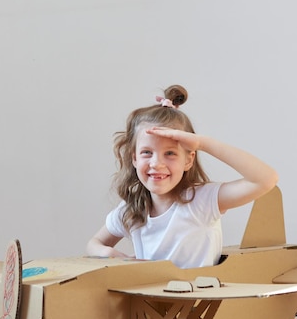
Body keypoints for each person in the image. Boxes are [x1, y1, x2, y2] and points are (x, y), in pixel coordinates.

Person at [86, 85, 278, 268]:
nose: (156, 163)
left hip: (197, 301)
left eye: (170, 153)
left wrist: (202, 143)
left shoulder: (202, 201)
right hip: (152, 300)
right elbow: (94, 244)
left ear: (188, 160)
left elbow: (265, 179)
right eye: (147, 152)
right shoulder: (131, 210)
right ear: (134, 158)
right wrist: (114, 255)